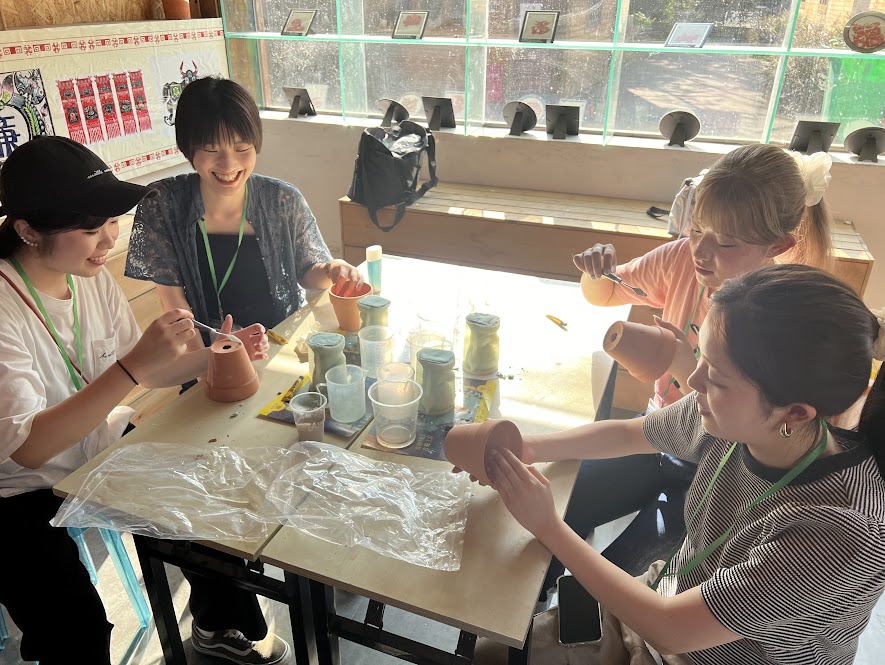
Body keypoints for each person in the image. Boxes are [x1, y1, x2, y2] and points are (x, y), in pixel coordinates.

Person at [483, 264, 885, 665]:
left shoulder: (841, 531)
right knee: (492, 648)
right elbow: (629, 434)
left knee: (497, 654)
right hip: (668, 597)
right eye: (701, 358)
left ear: (795, 413)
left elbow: (670, 629)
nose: (694, 381)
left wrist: (547, 525)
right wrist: (524, 448)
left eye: (718, 378)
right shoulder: (730, 416)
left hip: (697, 645)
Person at [0, 136, 289, 665]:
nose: (108, 239)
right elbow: (29, 449)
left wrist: (215, 355)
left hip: (96, 444)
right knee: (74, 626)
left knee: (206, 513)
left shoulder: (86, 277)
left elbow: (146, 370)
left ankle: (216, 627)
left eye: (112, 222)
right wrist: (133, 366)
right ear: (27, 231)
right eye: (92, 229)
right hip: (15, 489)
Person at [548, 144, 836, 591]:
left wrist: (684, 364)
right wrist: (597, 273)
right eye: (696, 227)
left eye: (725, 242)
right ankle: (530, 609)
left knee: (615, 579)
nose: (699, 251)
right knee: (562, 509)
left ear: (778, 246)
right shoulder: (681, 260)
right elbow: (605, 294)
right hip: (658, 432)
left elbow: (766, 427)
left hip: (718, 467)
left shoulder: (779, 315)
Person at [125, 76, 361, 341]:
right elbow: (174, 303)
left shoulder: (282, 200)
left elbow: (307, 272)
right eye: (211, 149)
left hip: (278, 342)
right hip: (206, 348)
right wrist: (208, 360)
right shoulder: (163, 204)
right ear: (187, 147)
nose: (228, 165)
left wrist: (332, 268)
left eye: (241, 148)